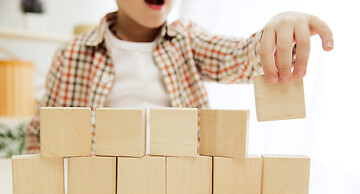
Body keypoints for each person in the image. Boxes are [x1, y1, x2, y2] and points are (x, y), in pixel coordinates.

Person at [24, 0, 333, 153]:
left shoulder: (186, 39)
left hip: (181, 186)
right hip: (99, 190)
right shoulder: (72, 54)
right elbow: (41, 138)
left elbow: (237, 56)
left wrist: (276, 32)